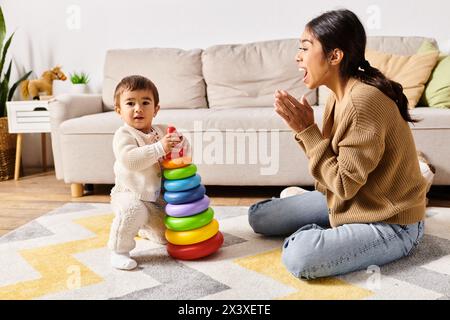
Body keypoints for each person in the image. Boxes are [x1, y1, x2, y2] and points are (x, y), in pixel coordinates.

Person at [248, 9, 428, 280]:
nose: (298, 56)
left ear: (335, 56)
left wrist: (308, 131)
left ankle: (332, 231)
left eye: (305, 48)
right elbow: (329, 184)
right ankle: (334, 225)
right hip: (353, 200)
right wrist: (308, 132)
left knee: (300, 257)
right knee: (259, 217)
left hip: (391, 223)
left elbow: (343, 185)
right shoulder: (338, 96)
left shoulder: (361, 102)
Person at [108, 75, 187, 270]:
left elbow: (179, 156)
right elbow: (130, 160)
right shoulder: (124, 135)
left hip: (157, 196)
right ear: (119, 110)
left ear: (156, 109)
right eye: (130, 103)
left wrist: (181, 144)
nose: (138, 108)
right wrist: (160, 147)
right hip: (130, 193)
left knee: (165, 237)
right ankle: (119, 250)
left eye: (145, 102)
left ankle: (146, 229)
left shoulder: (161, 130)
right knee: (132, 212)